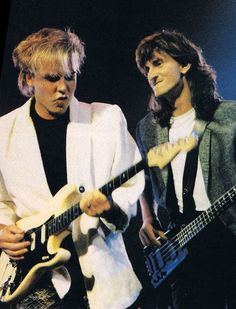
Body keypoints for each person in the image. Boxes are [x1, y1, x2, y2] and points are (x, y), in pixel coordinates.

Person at [0, 27, 145, 309]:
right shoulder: (3, 131)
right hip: (35, 277)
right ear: (29, 78)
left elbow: (131, 186)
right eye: (52, 78)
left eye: (71, 77)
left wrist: (112, 207)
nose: (63, 88)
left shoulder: (106, 119)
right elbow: (2, 200)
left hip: (102, 274)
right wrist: (2, 231)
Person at [135, 29, 236, 309]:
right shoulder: (148, 128)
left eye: (158, 63)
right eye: (146, 69)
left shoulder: (229, 116)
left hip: (228, 235)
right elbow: (142, 177)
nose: (150, 74)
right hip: (181, 244)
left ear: (184, 64)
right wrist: (147, 218)